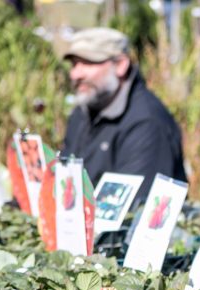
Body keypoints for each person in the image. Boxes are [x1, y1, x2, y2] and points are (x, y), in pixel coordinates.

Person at [61, 27, 186, 201]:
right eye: (74, 64)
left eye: (88, 63)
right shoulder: (83, 112)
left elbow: (135, 208)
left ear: (120, 65)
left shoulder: (146, 122)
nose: (76, 74)